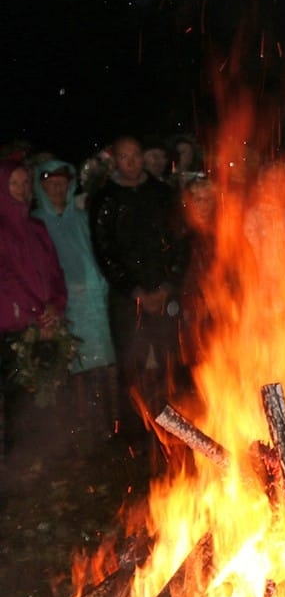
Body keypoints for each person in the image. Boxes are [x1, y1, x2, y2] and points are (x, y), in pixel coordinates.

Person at [89, 135, 190, 446]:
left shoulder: (163, 195)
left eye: (135, 155)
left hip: (164, 295)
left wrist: (166, 286)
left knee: (168, 360)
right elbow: (104, 251)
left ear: (144, 156)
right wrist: (134, 291)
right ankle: (134, 434)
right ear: (115, 160)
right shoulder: (105, 200)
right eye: (123, 157)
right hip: (126, 298)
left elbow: (180, 243)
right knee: (130, 366)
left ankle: (177, 431)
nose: (130, 162)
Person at [32, 160, 119, 445]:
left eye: (62, 183)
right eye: (51, 184)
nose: (57, 189)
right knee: (74, 369)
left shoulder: (82, 219)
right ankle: (82, 433)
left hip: (94, 303)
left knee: (105, 365)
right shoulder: (36, 223)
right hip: (62, 306)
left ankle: (112, 428)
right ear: (41, 187)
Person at [0, 160, 67, 464]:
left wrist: (55, 305)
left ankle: (45, 460)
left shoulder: (36, 227)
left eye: (26, 183)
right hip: (15, 327)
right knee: (18, 398)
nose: (22, 189)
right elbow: (7, 279)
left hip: (46, 324)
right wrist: (36, 315)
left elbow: (54, 273)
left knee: (47, 392)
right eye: (14, 183)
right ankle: (19, 466)